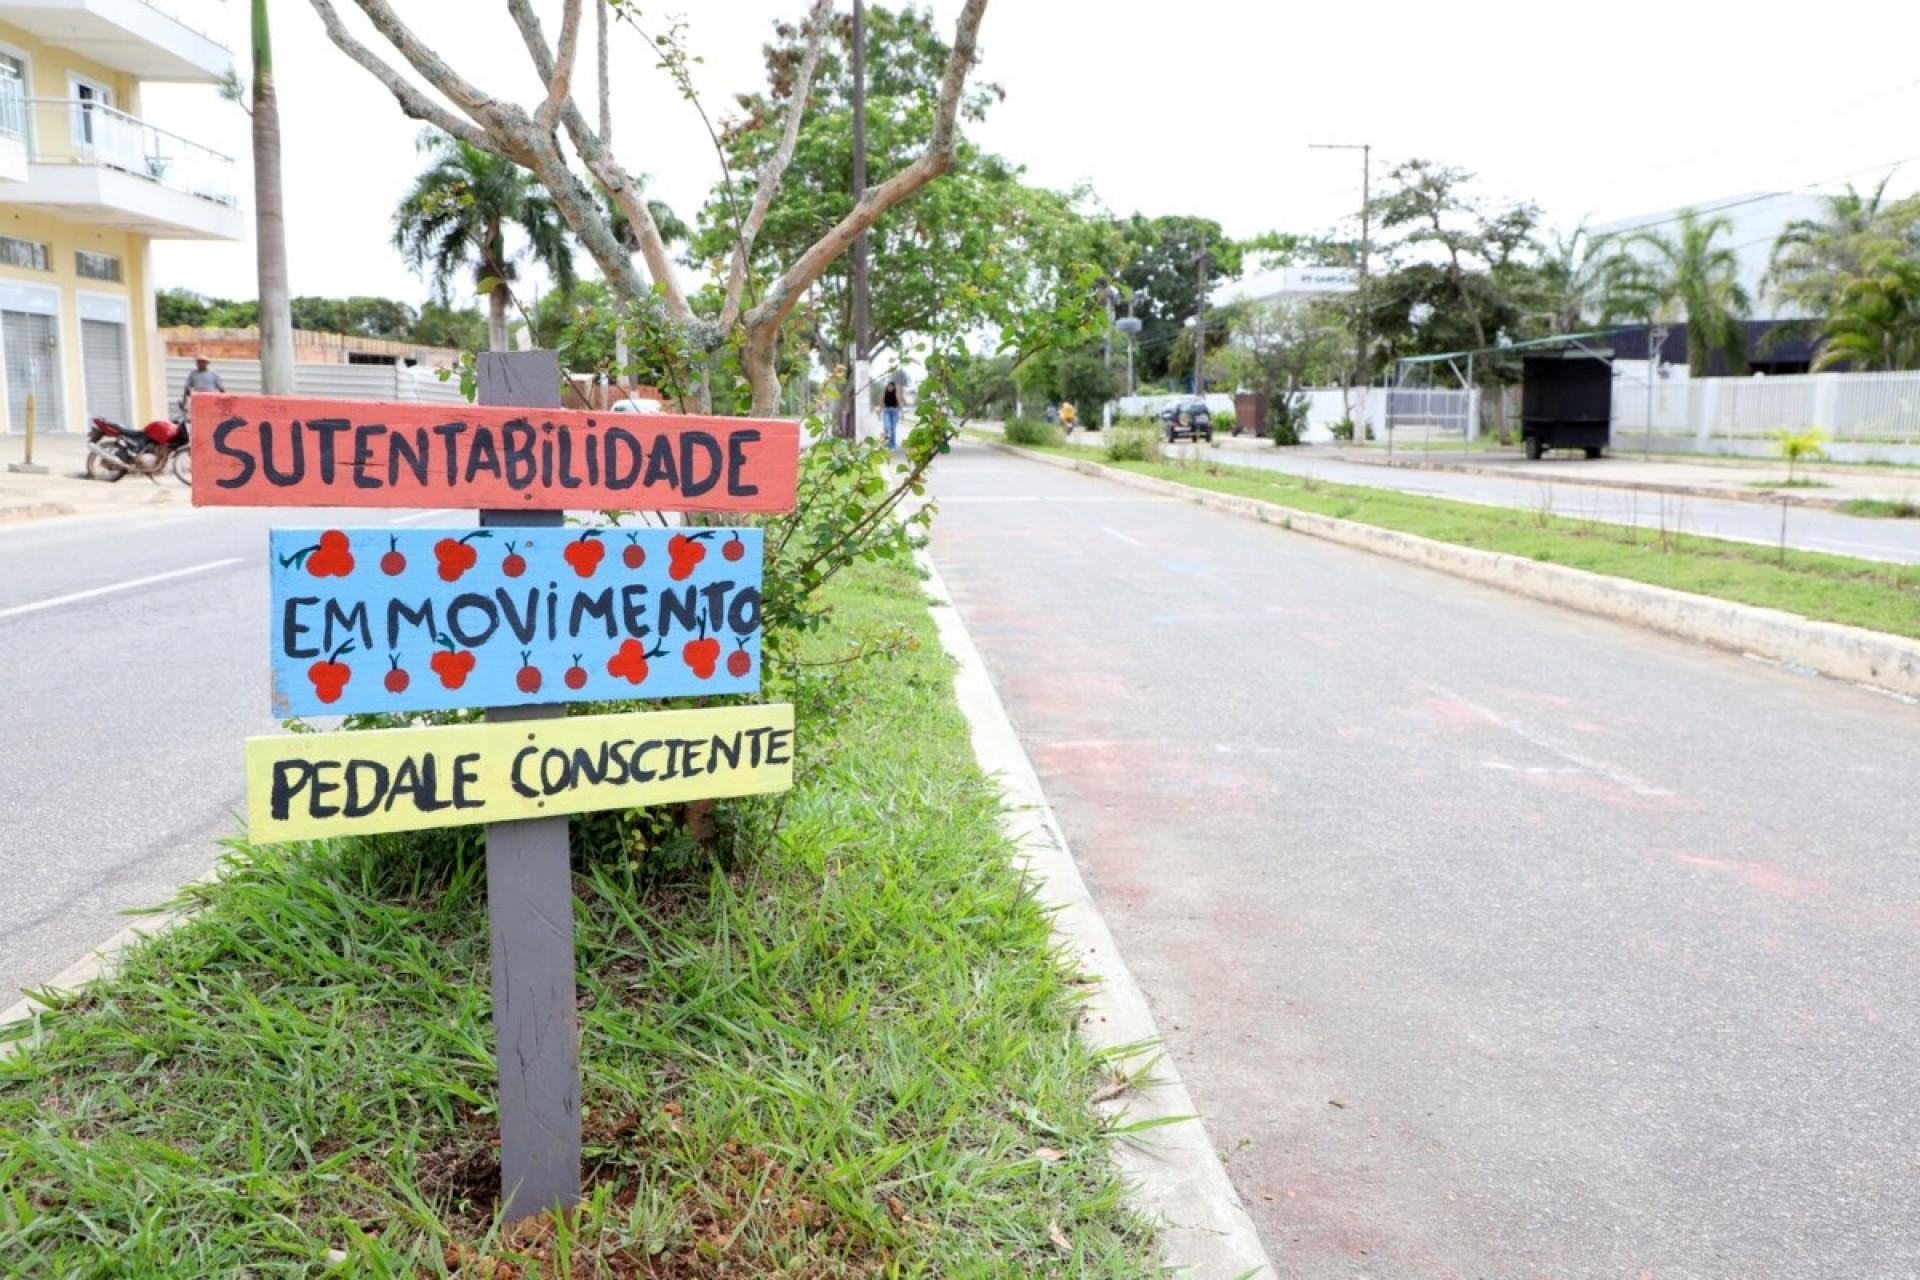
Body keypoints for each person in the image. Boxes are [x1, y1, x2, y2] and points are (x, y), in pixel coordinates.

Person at [880, 380, 902, 448]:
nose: (890, 387)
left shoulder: (896, 393)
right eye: (889, 386)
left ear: (894, 387)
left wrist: (901, 412)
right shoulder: (885, 393)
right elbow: (881, 401)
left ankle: (892, 444)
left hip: (895, 412)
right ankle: (886, 443)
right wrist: (879, 411)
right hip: (886, 411)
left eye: (892, 386)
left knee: (893, 429)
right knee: (887, 426)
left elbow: (899, 403)